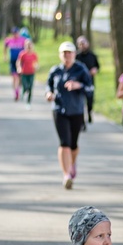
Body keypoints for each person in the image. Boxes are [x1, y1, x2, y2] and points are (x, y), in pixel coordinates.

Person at [46, 42, 93, 190]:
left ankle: (72, 164)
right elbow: (49, 86)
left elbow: (90, 88)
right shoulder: (55, 70)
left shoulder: (81, 69)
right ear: (60, 55)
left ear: (74, 54)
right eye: (64, 53)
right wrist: (48, 94)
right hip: (59, 110)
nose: (67, 56)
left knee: (73, 144)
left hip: (77, 110)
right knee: (64, 142)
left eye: (70, 53)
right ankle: (66, 175)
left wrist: (78, 85)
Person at [75, 36, 99, 124]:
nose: (82, 45)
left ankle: (89, 113)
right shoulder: (76, 56)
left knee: (90, 101)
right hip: (79, 83)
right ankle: (82, 122)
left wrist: (95, 70)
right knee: (81, 102)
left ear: (87, 44)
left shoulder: (93, 55)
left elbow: (97, 66)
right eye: (80, 44)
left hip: (90, 82)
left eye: (84, 43)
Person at [4, 27, 26, 101]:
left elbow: (28, 47)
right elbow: (5, 46)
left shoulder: (23, 40)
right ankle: (15, 92)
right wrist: (5, 56)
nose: (15, 35)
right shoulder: (9, 40)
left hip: (20, 61)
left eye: (16, 33)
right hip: (12, 61)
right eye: (13, 33)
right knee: (14, 77)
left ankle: (18, 90)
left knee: (19, 78)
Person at [16, 39, 39, 109]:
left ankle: (28, 103)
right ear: (25, 46)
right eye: (27, 45)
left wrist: (37, 66)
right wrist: (19, 68)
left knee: (30, 87)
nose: (28, 47)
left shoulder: (34, 55)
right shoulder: (22, 54)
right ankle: (23, 92)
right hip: (24, 73)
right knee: (25, 86)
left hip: (31, 73)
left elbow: (36, 63)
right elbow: (18, 62)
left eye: (30, 45)